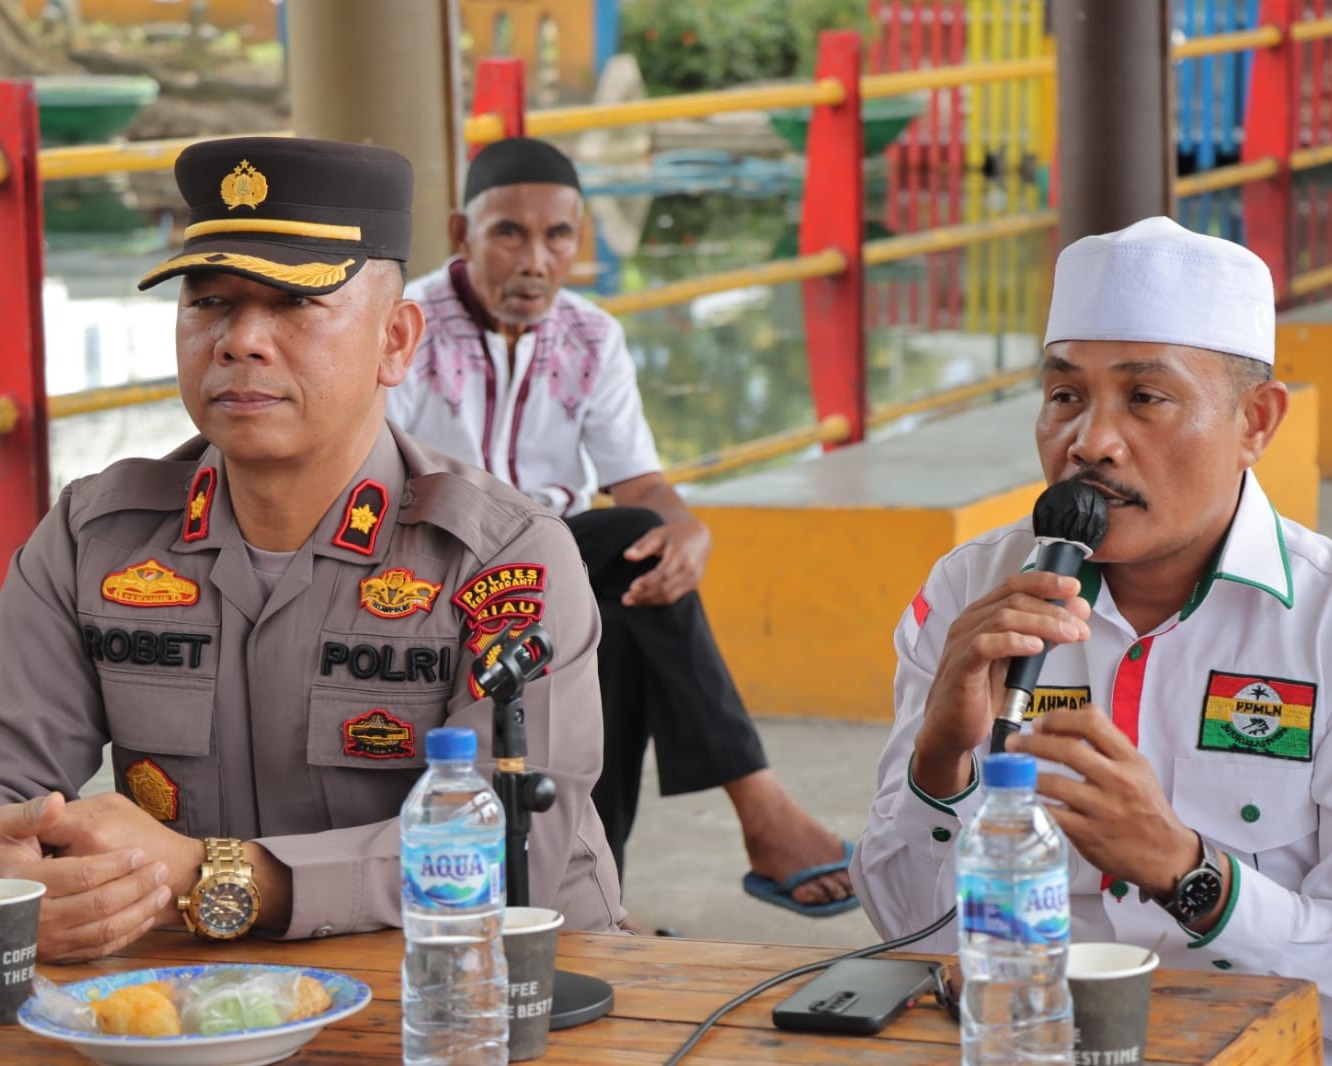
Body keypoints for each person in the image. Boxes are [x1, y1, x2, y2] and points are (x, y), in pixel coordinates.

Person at [0, 135, 624, 962]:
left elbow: (513, 854)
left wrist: (215, 877)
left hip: (476, 996)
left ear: (396, 342)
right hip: (207, 1003)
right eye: (209, 302)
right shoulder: (94, 538)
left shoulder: (504, 557)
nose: (240, 341)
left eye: (294, 305)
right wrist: (22, 891)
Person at [851, 216, 1332, 1037]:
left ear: (1255, 422)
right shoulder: (975, 587)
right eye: (1065, 396)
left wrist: (1188, 873)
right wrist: (942, 760)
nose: (1092, 443)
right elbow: (909, 933)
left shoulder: (1320, 619)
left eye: (1146, 398)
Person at [386, 136, 857, 917]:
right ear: (461, 234)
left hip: (559, 564)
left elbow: (639, 479)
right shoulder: (409, 327)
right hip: (436, 561)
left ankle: (605, 898)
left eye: (558, 236)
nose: (535, 259)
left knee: (624, 596)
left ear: (580, 241)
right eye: (509, 232)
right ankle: (758, 808)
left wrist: (689, 531)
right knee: (617, 552)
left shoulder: (592, 336)